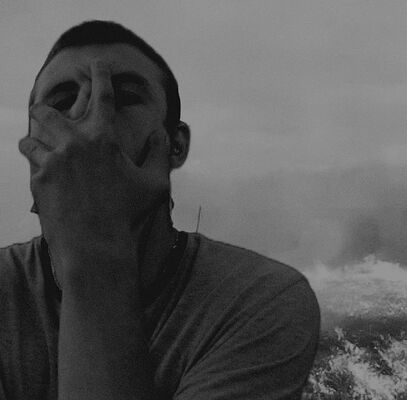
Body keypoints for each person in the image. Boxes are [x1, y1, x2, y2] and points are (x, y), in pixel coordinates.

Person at [0, 20, 320, 400]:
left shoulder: (260, 300)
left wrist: (95, 244)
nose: (92, 122)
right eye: (60, 103)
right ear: (33, 150)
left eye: (125, 97)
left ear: (175, 145)